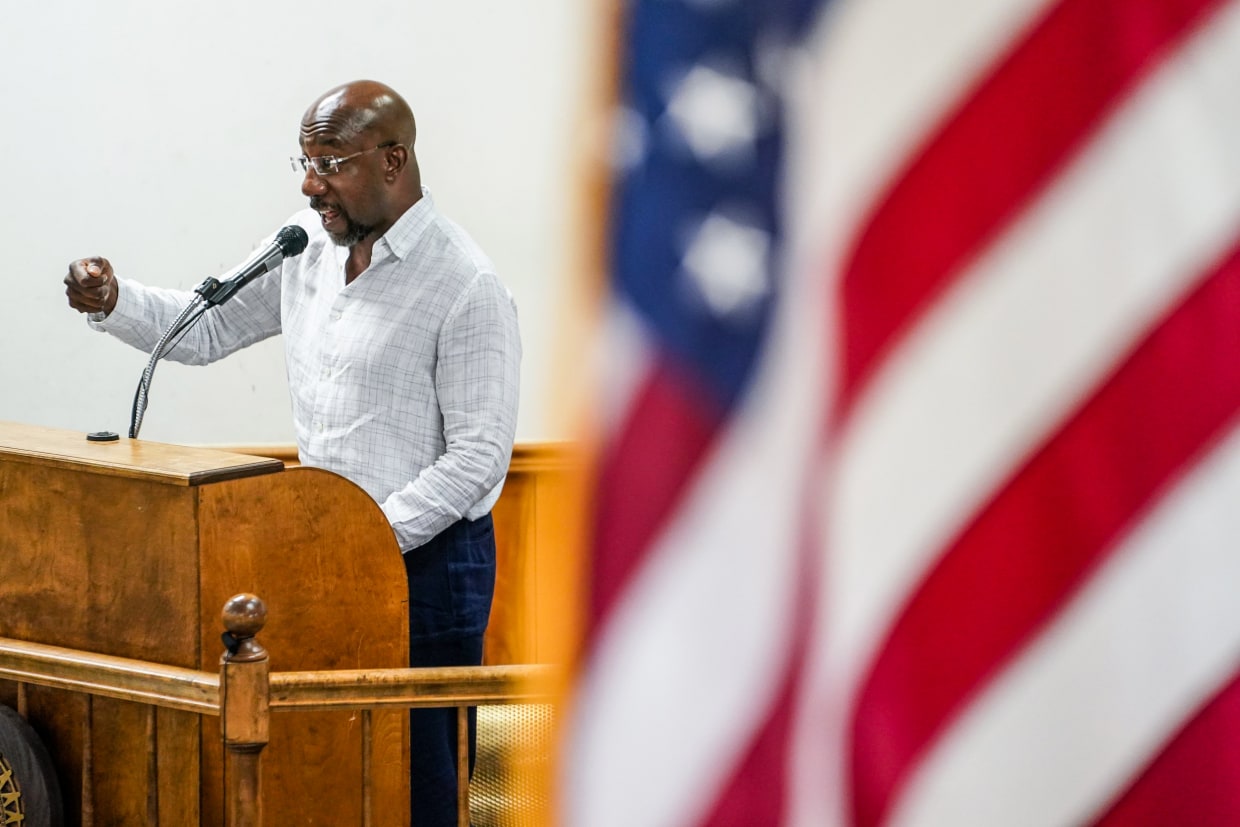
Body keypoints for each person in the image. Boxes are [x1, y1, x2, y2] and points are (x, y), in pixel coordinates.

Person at [63, 79, 521, 826]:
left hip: (426, 567)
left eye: (331, 163)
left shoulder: (465, 285)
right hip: (321, 555)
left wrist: (362, 539)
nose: (312, 186)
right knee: (325, 766)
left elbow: (476, 461)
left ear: (394, 161)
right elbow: (206, 328)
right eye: (305, 162)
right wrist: (115, 301)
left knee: (416, 782)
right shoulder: (306, 248)